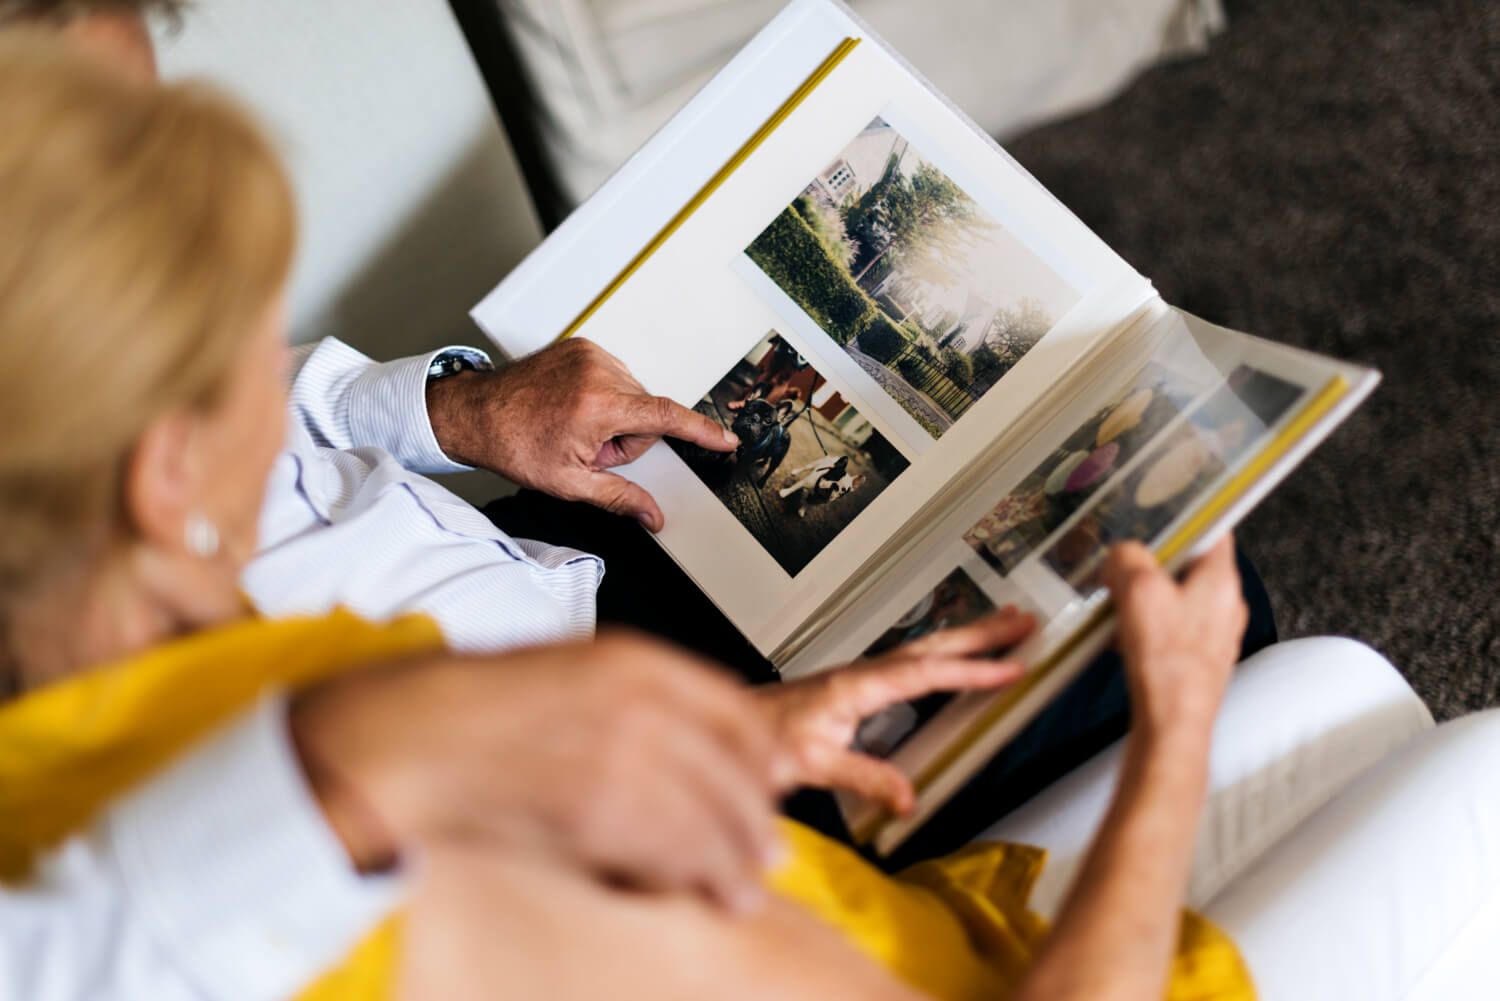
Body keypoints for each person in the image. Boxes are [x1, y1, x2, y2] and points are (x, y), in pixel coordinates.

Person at [6, 40, 1499, 1001]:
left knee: (1351, 693)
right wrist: (1172, 730)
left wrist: (758, 736)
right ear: (161, 468)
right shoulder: (345, 770)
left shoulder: (242, 730)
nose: (295, 377)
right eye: (249, 349)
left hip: (871, 917)